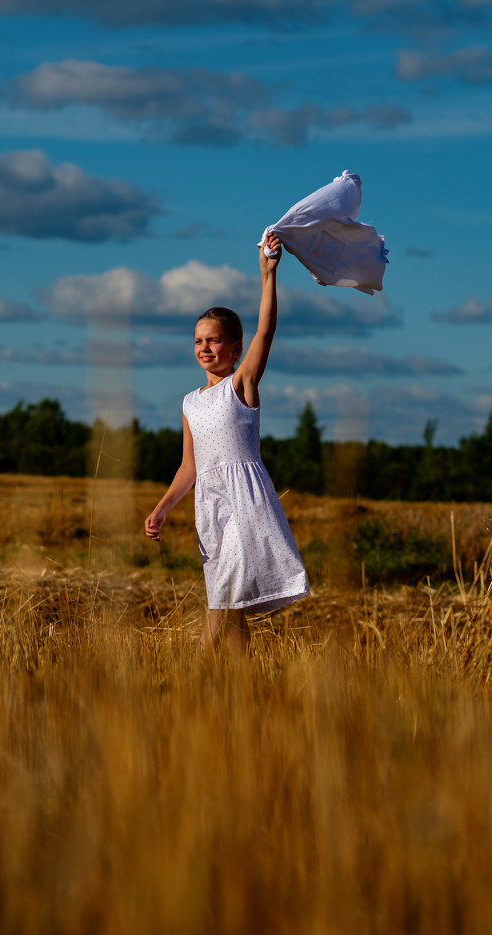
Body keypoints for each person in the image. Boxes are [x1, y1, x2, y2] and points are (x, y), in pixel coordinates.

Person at [143, 232, 310, 651]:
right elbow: (190, 467)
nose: (205, 347)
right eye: (199, 341)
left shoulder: (241, 385)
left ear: (235, 348)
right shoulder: (189, 403)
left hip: (246, 504)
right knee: (230, 612)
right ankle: (240, 700)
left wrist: (267, 275)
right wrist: (162, 509)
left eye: (214, 340)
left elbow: (266, 333)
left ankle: (184, 689)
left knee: (218, 612)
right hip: (209, 510)